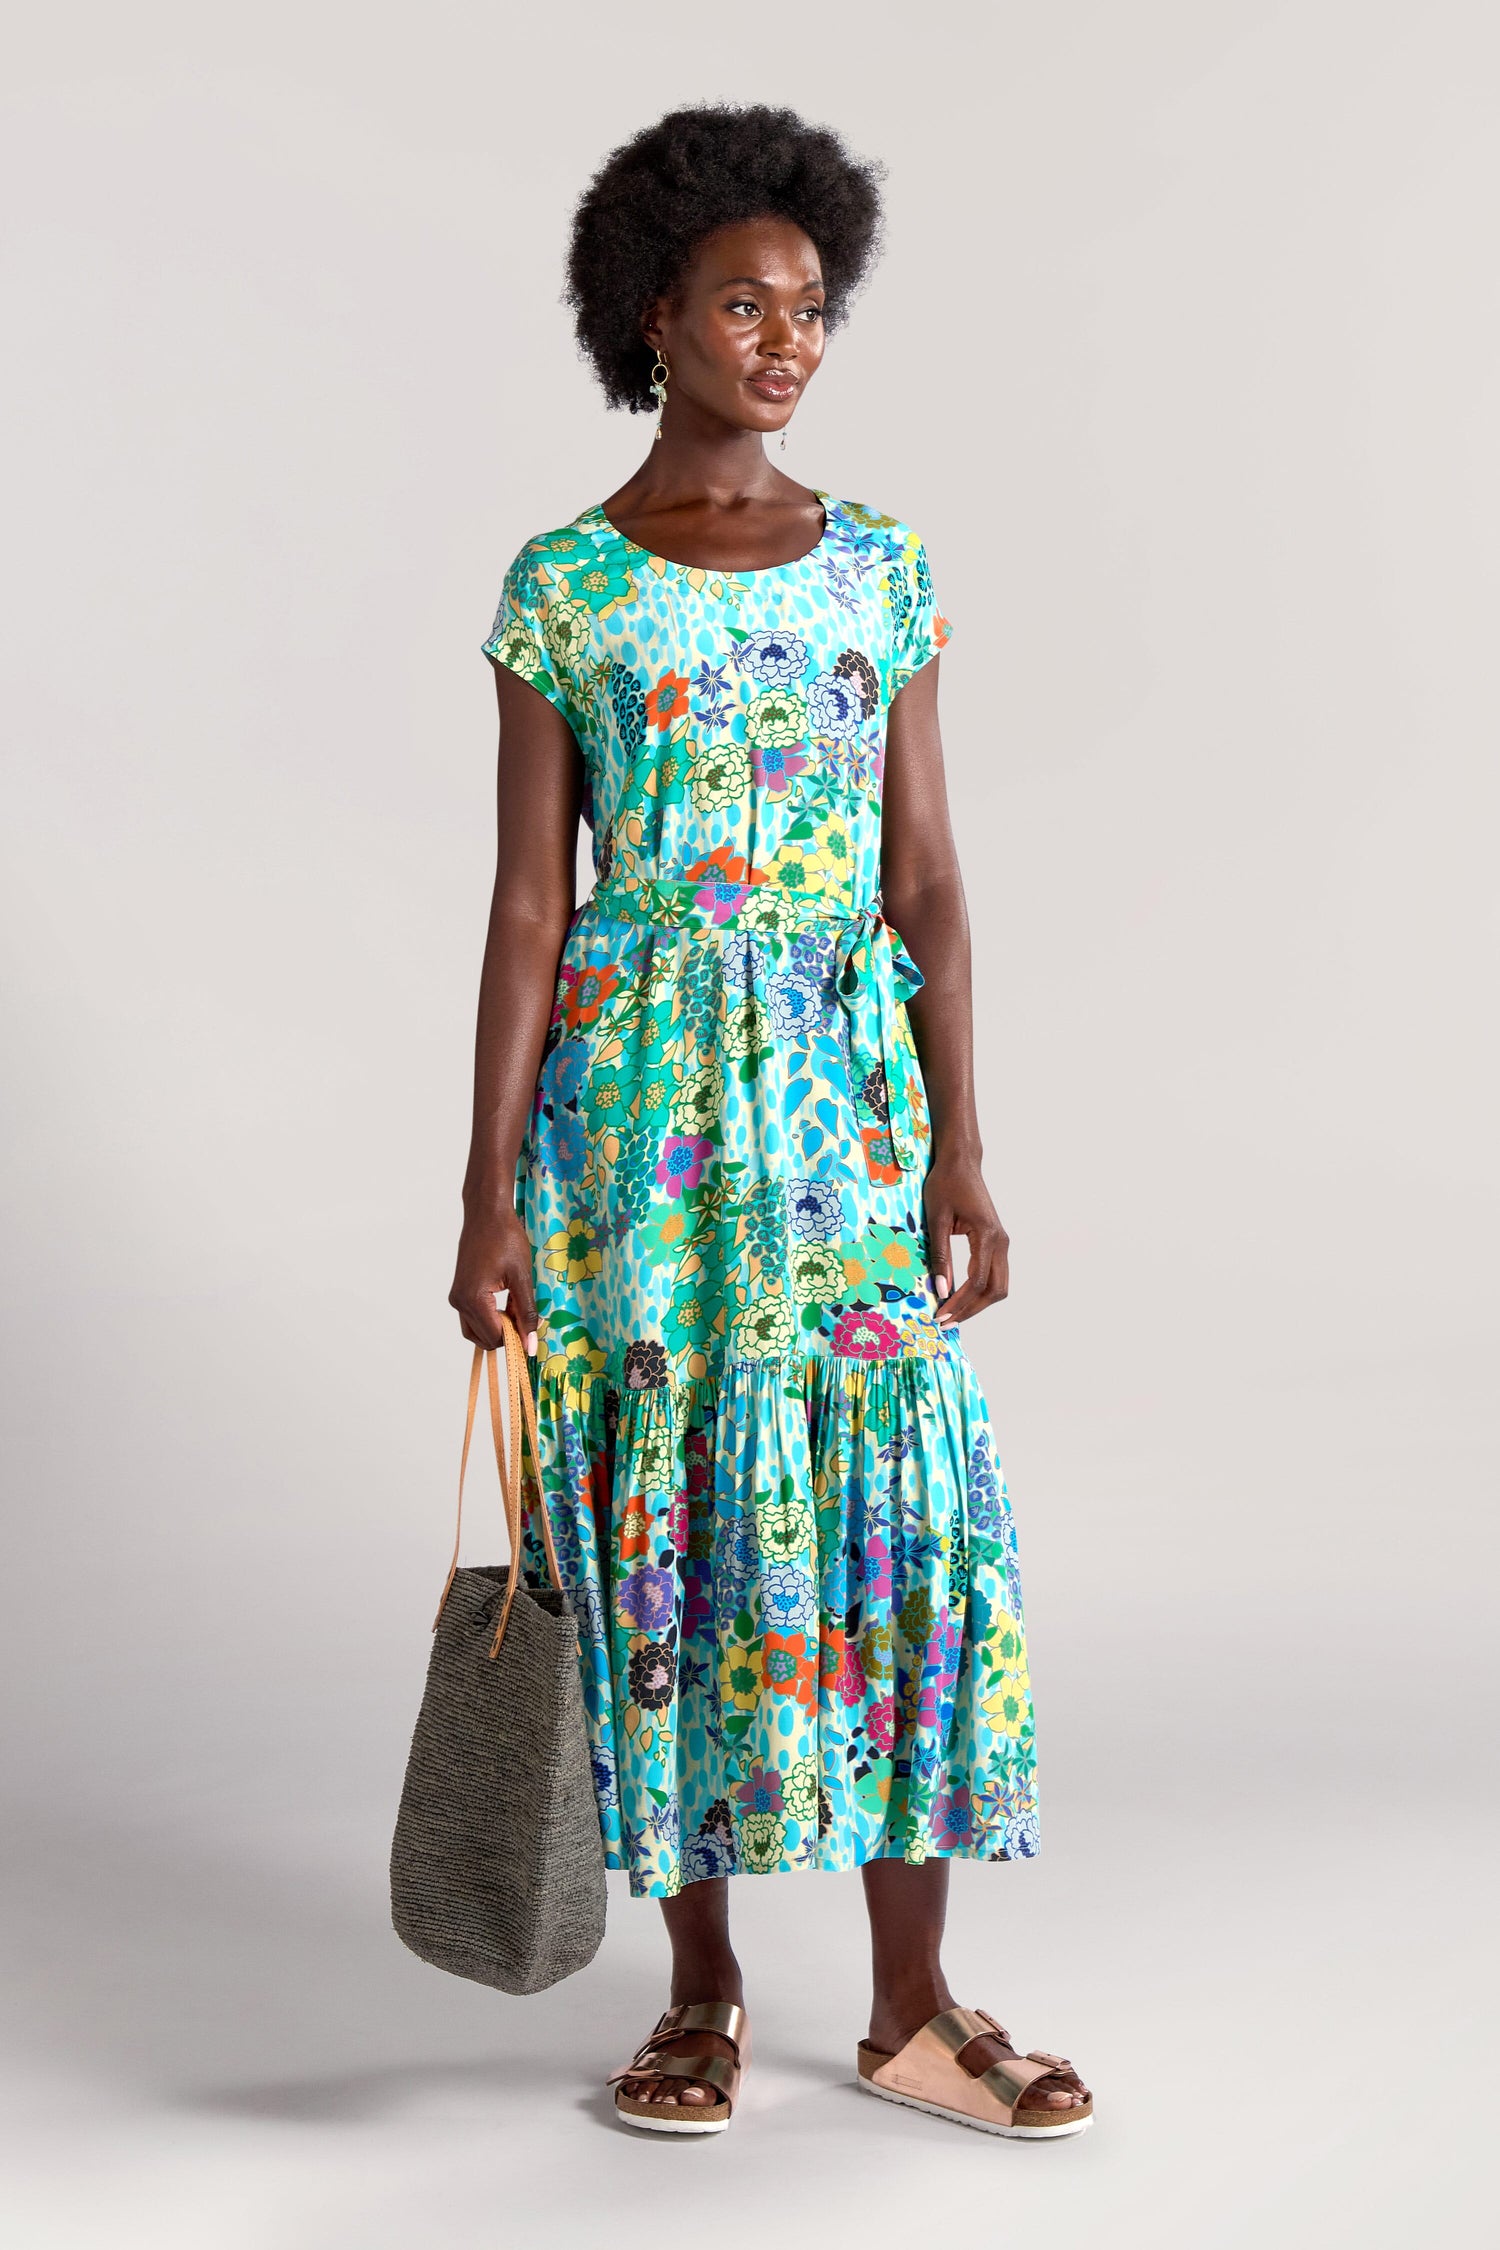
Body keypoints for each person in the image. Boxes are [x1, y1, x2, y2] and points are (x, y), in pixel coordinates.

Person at [449, 103, 1091, 2141]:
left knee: (895, 1509)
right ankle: (704, 1988)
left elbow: (929, 883)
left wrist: (968, 1145)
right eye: (744, 302)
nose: (788, 339)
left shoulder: (880, 569)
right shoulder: (565, 589)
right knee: (667, 1524)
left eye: (812, 306)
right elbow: (532, 904)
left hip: (840, 1114)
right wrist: (484, 1193)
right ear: (655, 317)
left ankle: (916, 2001)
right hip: (633, 1133)